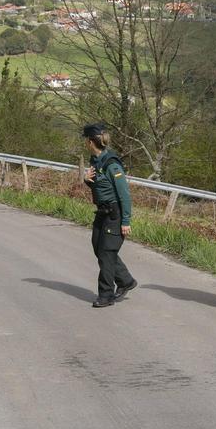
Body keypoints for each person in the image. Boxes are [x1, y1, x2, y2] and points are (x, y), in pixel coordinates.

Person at [82, 123, 138, 308]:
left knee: (106, 253)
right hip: (101, 212)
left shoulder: (112, 164)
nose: (84, 142)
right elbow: (101, 187)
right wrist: (87, 181)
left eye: (85, 139)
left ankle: (106, 295)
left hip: (115, 214)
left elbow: (124, 194)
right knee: (99, 248)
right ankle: (126, 280)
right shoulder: (95, 161)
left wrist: (126, 221)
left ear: (91, 141)